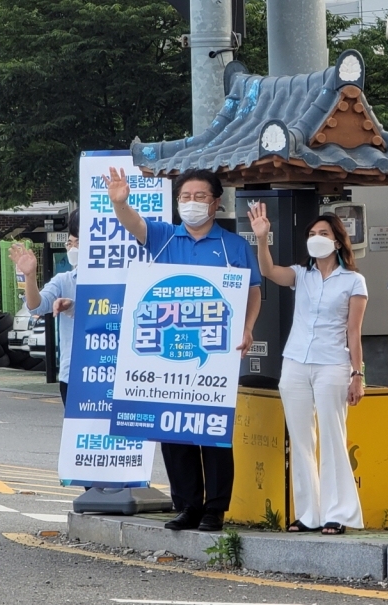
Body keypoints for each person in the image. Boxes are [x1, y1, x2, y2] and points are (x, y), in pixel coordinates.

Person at [105, 166, 262, 533]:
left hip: (214, 356)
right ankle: (187, 505)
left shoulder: (232, 246)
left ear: (216, 202)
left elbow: (253, 290)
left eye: (200, 197)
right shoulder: (162, 236)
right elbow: (134, 224)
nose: (191, 203)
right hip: (166, 356)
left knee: (214, 433)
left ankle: (215, 510)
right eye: (184, 197)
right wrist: (120, 203)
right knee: (174, 433)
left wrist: (248, 327)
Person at [248, 205, 367, 535]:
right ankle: (308, 514)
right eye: (312, 234)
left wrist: (358, 375)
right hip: (296, 362)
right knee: (300, 439)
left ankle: (336, 513)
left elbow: (354, 332)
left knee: (332, 437)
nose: (317, 239)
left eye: (324, 234)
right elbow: (269, 270)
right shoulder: (302, 275)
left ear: (339, 242)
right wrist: (261, 238)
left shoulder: (353, 281)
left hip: (333, 363)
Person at [10, 210, 80, 406]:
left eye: (79, 243)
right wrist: (30, 276)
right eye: (70, 243)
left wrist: (74, 306)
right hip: (72, 373)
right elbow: (37, 306)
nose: (73, 248)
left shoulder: (114, 279)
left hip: (109, 372)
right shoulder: (63, 280)